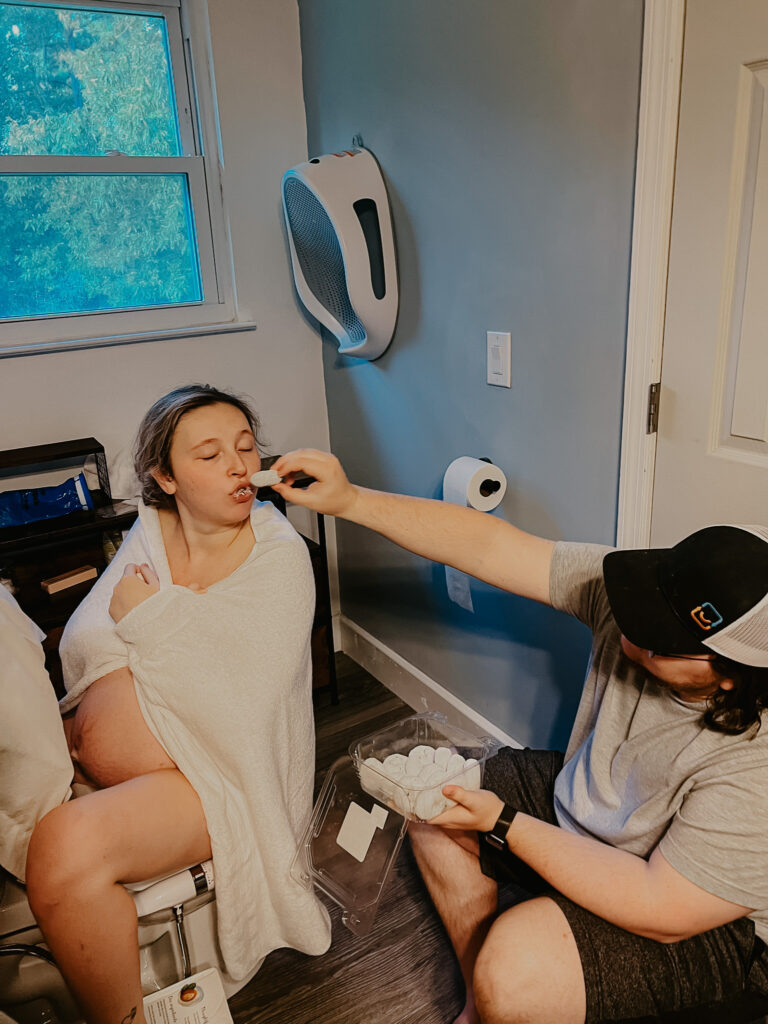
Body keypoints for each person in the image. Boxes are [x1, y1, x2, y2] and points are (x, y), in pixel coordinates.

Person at [270, 448, 768, 1024]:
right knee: (428, 791)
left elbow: (664, 907)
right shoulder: (640, 592)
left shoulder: (755, 764)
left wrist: (502, 823)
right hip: (591, 804)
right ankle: (480, 1006)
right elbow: (492, 546)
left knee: (516, 964)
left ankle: (502, 992)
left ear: (729, 675)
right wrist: (351, 500)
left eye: (655, 639)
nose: (629, 628)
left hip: (706, 917)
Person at [25, 387, 331, 1024]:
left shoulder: (279, 560)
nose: (239, 467)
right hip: (115, 758)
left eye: (246, 449)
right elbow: (86, 642)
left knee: (65, 846)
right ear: (166, 477)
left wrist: (151, 618)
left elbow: (243, 709)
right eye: (211, 454)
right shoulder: (149, 537)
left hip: (219, 779)